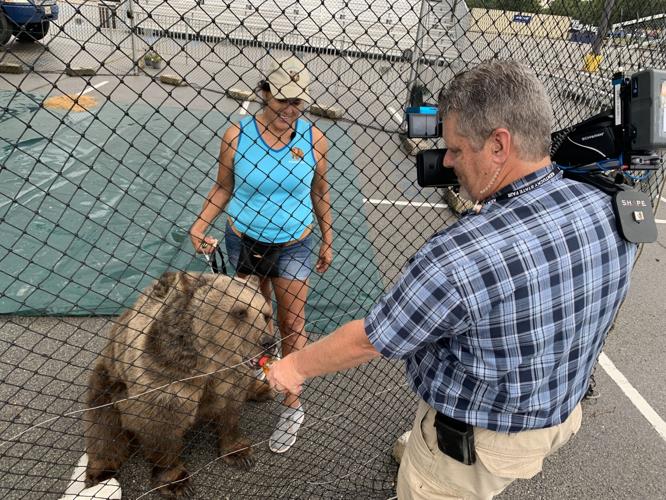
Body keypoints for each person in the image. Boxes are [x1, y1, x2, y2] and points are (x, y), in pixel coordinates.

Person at [265, 60, 637, 498]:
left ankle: (432, 467)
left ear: (499, 145)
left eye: (457, 149)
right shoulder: (609, 204)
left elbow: (372, 339)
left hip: (479, 442)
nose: (446, 161)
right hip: (555, 412)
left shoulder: (459, 255)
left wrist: (293, 365)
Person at [189, 55, 333, 454]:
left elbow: (319, 192)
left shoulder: (313, 138)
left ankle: (292, 405)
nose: (292, 109)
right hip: (243, 240)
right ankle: (255, 379)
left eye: (298, 102)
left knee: (291, 324)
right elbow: (223, 187)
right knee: (248, 324)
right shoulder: (237, 135)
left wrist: (327, 238)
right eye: (283, 100)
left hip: (293, 242)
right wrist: (199, 224)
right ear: (264, 93)